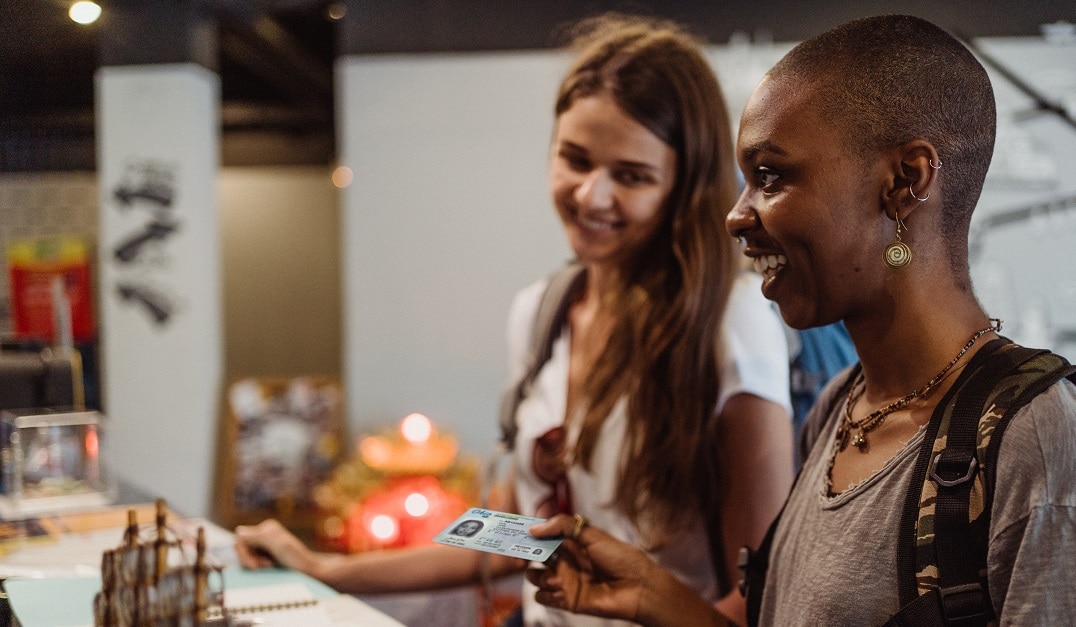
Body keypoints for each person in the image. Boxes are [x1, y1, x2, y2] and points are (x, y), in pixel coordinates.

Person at [526, 14, 1076, 626]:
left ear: (905, 181)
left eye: (771, 177)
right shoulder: (839, 410)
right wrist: (649, 592)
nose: (737, 216)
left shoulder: (1041, 449)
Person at [235, 13, 795, 626]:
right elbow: (524, 530)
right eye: (575, 159)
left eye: (631, 176)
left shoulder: (731, 324)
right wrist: (327, 569)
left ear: (684, 188)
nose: (590, 196)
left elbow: (761, 592)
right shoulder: (543, 310)